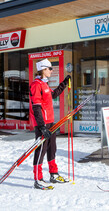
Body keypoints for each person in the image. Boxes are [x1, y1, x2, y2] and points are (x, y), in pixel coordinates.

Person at [29, 58, 71, 190]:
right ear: (43, 69)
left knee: (52, 148)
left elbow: (53, 95)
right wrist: (41, 126)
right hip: (42, 123)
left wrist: (64, 83)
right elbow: (36, 107)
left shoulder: (44, 84)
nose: (52, 70)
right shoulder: (36, 84)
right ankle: (38, 179)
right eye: (50, 68)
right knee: (41, 150)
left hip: (50, 122)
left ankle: (53, 174)